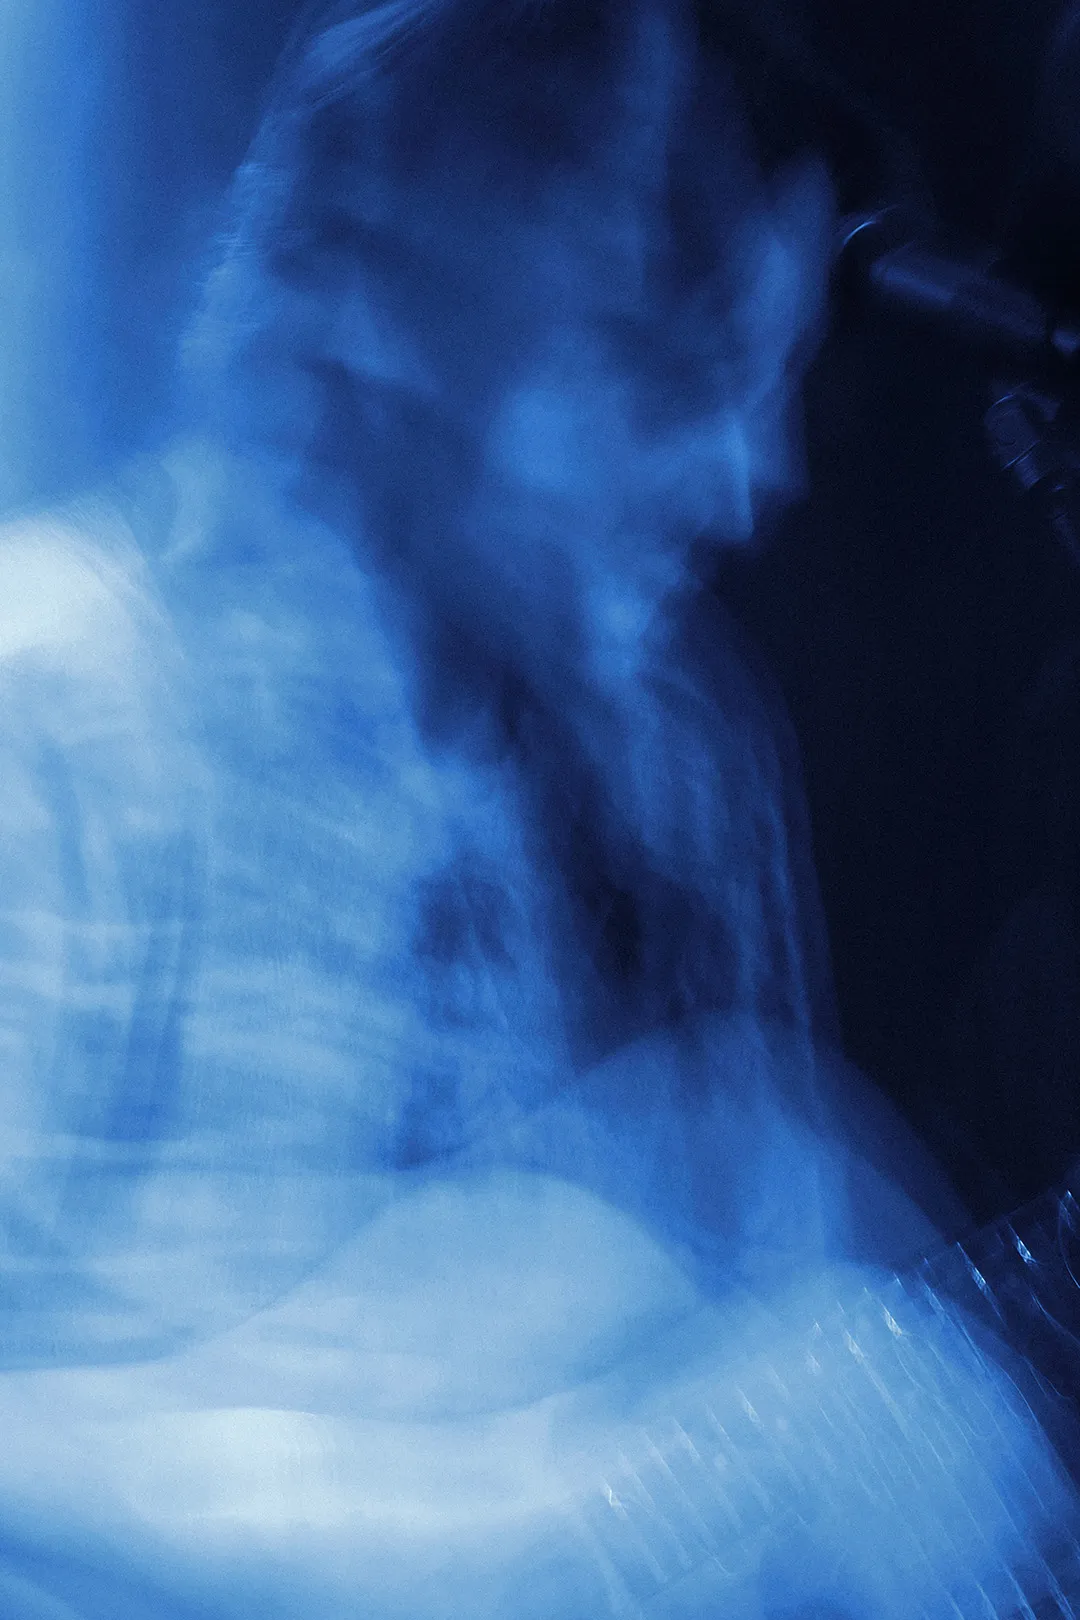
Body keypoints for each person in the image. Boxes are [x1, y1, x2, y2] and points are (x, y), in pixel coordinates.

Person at [0, 2, 1072, 1616]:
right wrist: (465, 1532)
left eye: (772, 385)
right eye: (670, 368)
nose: (750, 476)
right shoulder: (63, 708)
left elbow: (701, 1382)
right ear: (388, 293)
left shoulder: (679, 756)